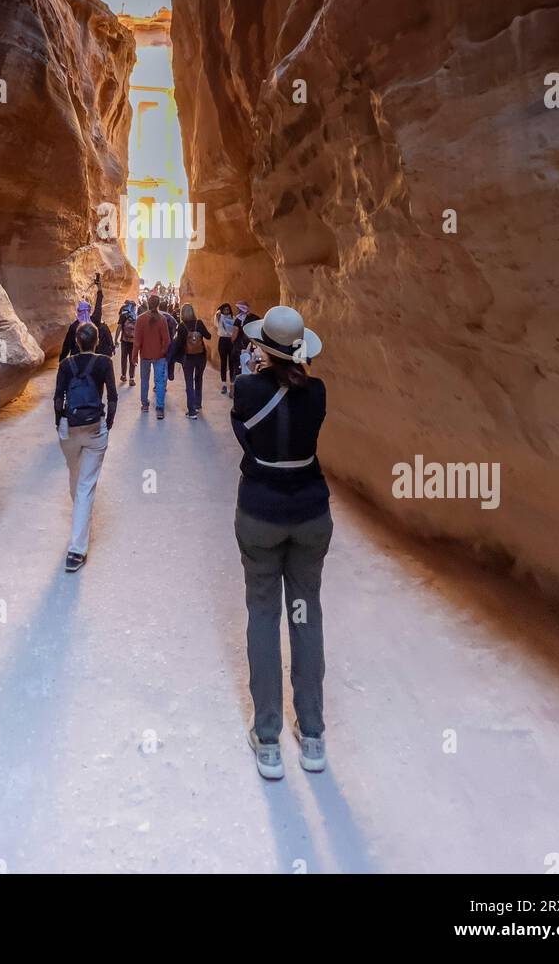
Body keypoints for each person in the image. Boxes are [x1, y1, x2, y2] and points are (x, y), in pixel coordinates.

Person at [229, 305, 330, 781]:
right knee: (306, 615)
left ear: (262, 348)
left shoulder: (248, 388)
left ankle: (267, 739)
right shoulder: (319, 393)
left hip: (260, 514)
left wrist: (255, 373)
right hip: (310, 513)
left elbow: (246, 435)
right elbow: (298, 400)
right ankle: (312, 735)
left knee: (264, 616)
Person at [53, 322, 117, 572]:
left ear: (77, 342)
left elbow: (58, 397)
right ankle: (76, 551)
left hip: (69, 428)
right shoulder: (104, 363)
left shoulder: (65, 365)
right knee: (85, 486)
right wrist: (107, 423)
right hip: (93, 428)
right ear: (97, 341)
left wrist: (59, 422)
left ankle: (79, 520)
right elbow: (112, 395)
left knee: (75, 474)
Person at [59, 273, 114, 361]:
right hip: (93, 360)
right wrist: (99, 288)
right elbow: (98, 307)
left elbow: (67, 345)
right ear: (88, 311)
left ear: (78, 311)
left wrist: (61, 360)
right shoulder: (94, 322)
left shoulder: (74, 326)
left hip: (76, 361)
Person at [134, 293, 171, 418]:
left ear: (148, 304)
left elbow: (137, 341)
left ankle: (145, 405)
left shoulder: (140, 319)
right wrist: (163, 352)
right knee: (159, 381)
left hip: (145, 355)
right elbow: (166, 340)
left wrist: (134, 356)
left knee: (144, 380)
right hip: (159, 356)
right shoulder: (162, 319)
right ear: (158, 304)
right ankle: (159, 408)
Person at [172, 303, 212, 418]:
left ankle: (192, 411)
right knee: (199, 379)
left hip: (188, 358)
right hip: (201, 356)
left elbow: (179, 344)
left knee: (189, 383)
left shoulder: (181, 326)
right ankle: (198, 404)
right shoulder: (199, 323)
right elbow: (208, 336)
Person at [232, 301, 260, 376]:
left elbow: (234, 336)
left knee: (238, 369)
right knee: (251, 370)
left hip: (239, 348)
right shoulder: (256, 318)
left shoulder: (238, 319)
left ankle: (237, 384)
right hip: (253, 347)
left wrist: (232, 342)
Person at [214, 302, 237, 393]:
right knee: (223, 363)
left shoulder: (233, 318)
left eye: (227, 309)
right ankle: (223, 384)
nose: (226, 311)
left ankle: (232, 383)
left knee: (231, 363)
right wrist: (218, 314)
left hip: (231, 341)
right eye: (224, 309)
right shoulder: (219, 317)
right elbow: (216, 324)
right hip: (223, 340)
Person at [114, 300, 137, 385]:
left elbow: (119, 327)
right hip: (134, 342)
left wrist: (116, 339)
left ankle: (123, 375)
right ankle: (132, 378)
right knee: (133, 359)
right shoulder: (136, 316)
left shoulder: (123, 315)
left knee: (124, 358)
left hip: (124, 340)